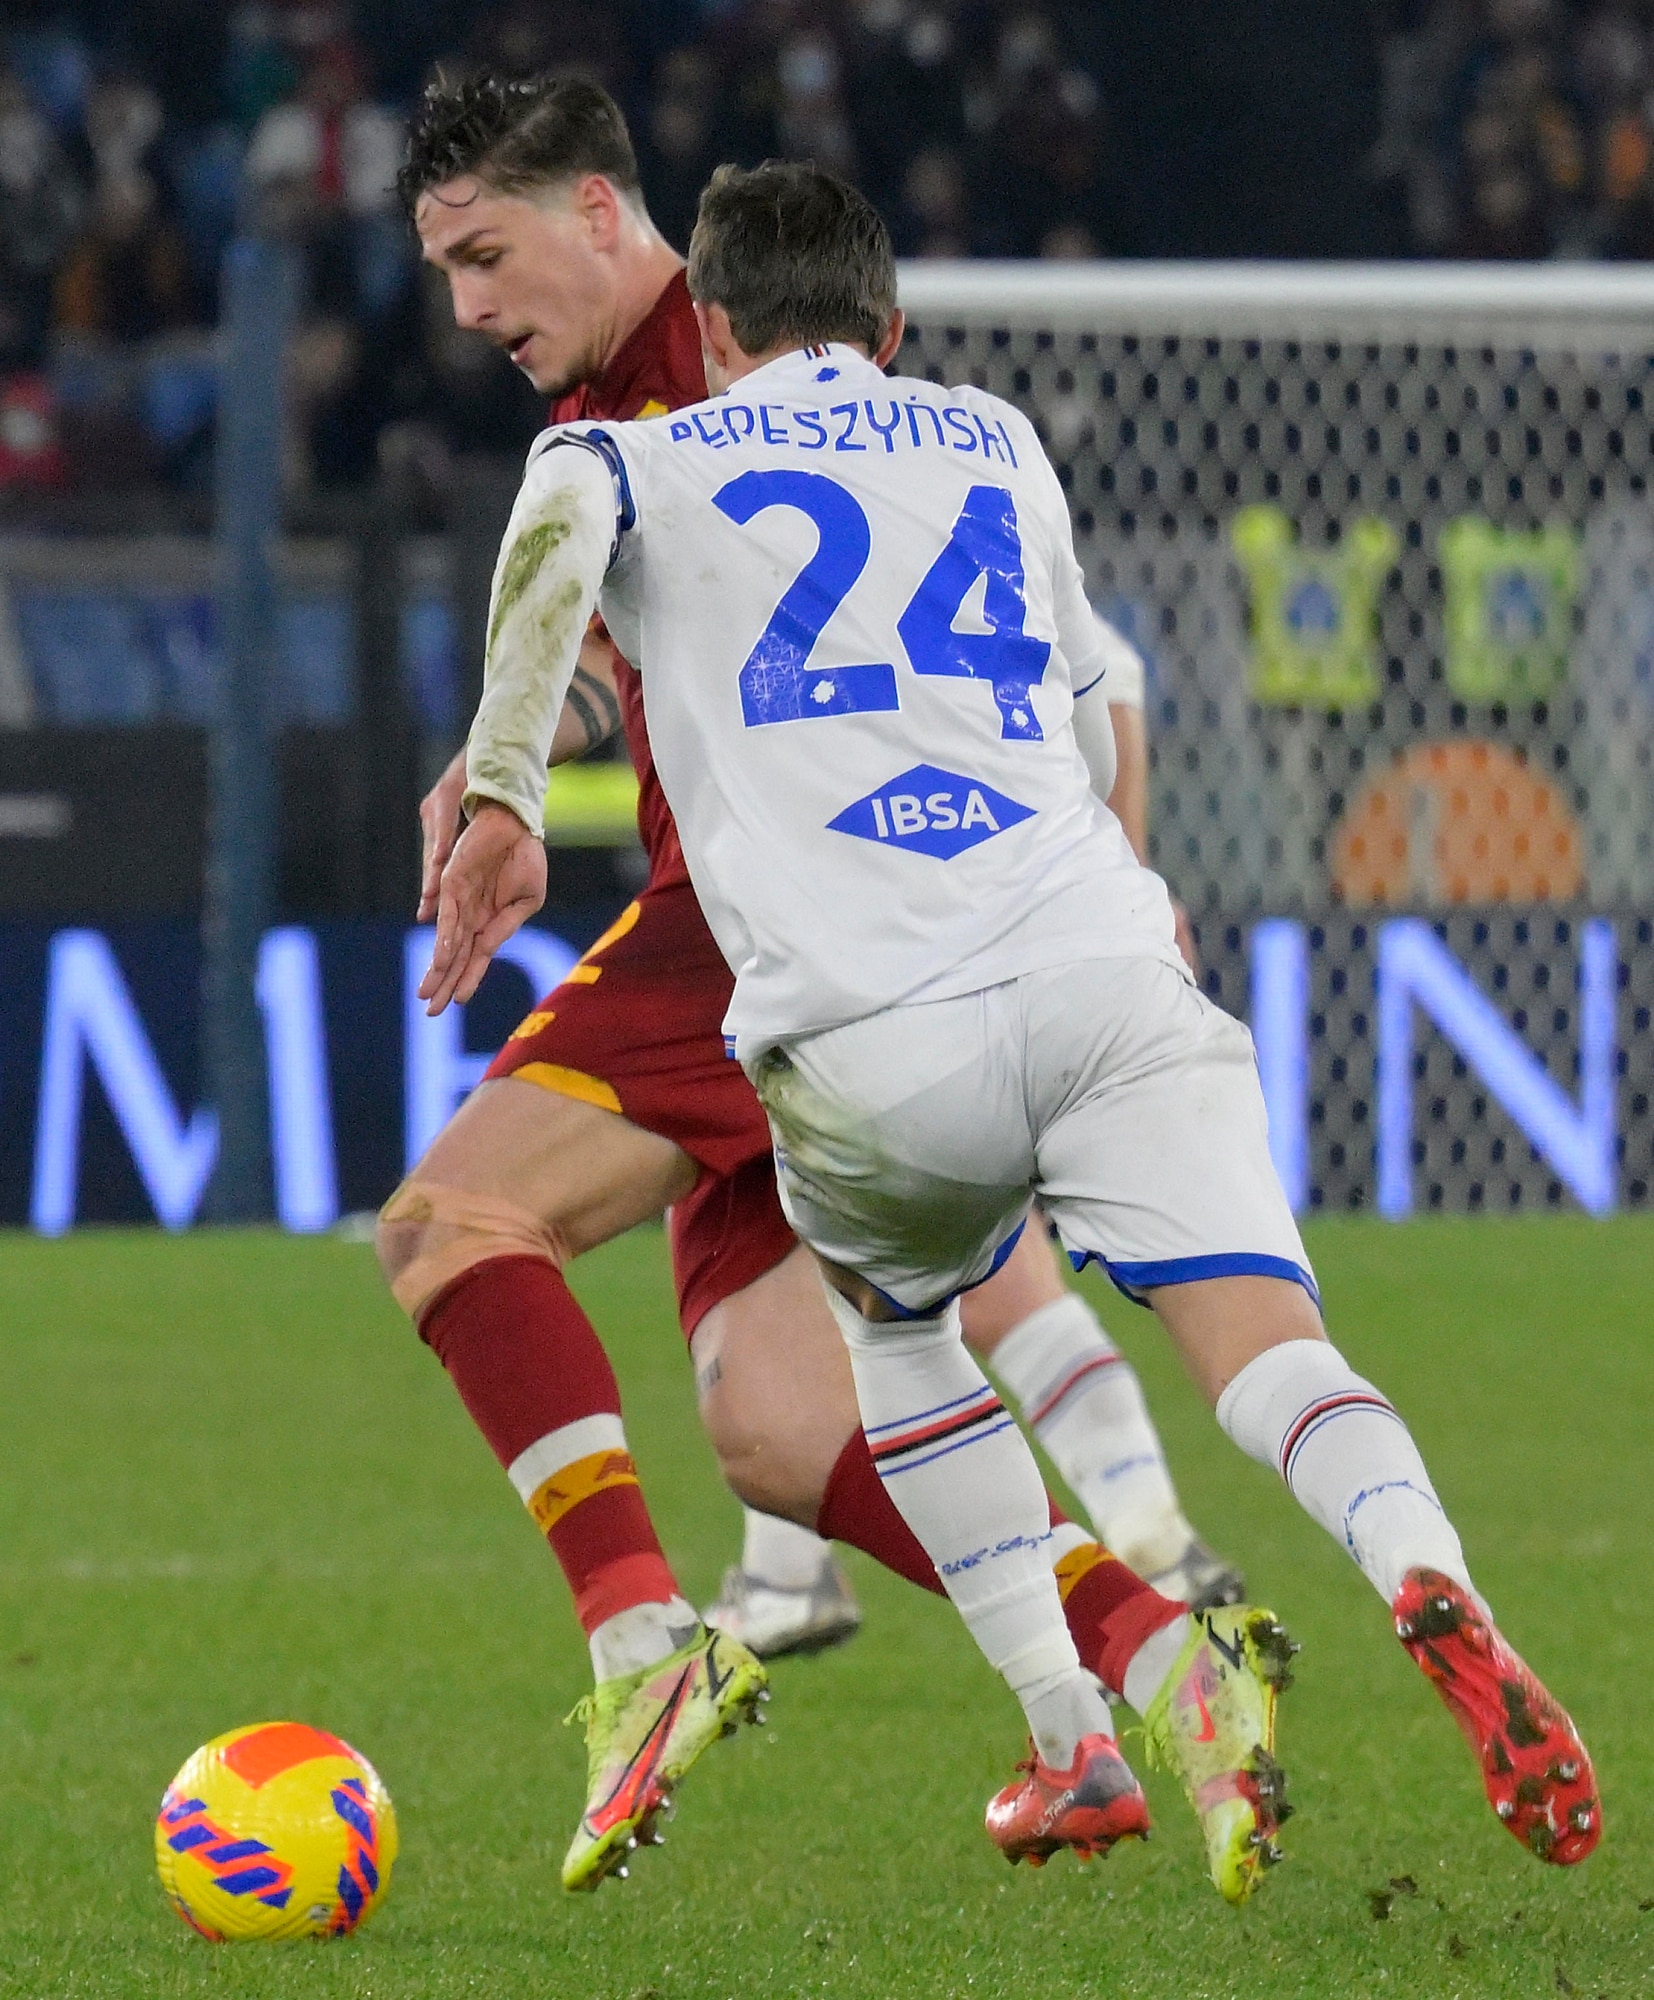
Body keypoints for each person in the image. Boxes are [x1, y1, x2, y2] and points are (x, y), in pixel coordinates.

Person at [422, 157, 1601, 1878]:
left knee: (906, 1351)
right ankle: (1427, 1576)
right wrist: (1130, 885)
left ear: (715, 327)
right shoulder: (996, 440)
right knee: (1276, 1356)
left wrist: (505, 790)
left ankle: (1066, 1736)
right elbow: (1096, 703)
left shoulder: (632, 455)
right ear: (892, 328)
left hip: (869, 1030)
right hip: (1102, 963)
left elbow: (549, 552)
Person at [387, 73, 1277, 1902]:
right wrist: (506, 753)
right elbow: (642, 641)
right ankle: (1156, 1659)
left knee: (451, 1224)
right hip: (846, 941)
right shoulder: (638, 398)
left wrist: (1101, 880)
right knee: (781, 1430)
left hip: (782, 934)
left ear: (600, 213)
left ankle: (641, 1647)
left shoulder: (727, 365)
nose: (466, 308)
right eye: (443, 272)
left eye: (484, 255)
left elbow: (1081, 667)